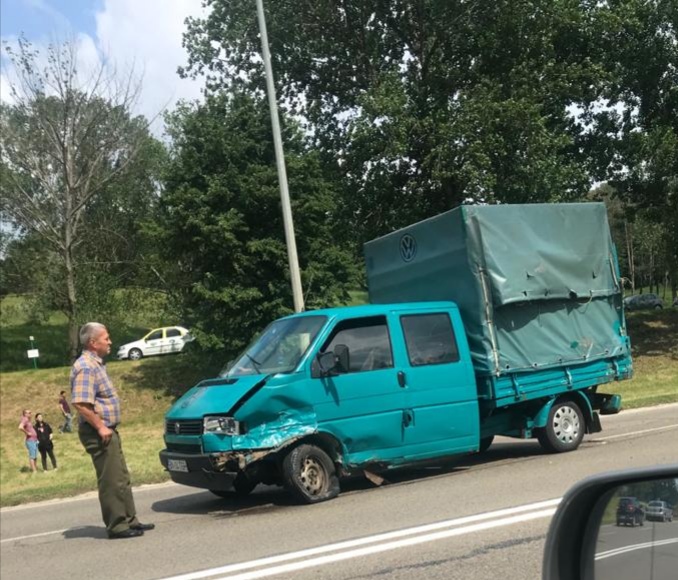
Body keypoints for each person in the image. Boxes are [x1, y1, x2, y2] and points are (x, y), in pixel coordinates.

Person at [70, 322, 155, 540]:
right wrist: (100, 426)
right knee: (111, 480)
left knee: (121, 477)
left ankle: (129, 520)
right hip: (98, 431)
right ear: (93, 342)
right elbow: (80, 403)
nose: (110, 342)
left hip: (107, 430)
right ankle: (117, 526)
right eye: (106, 338)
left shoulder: (96, 364)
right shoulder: (86, 366)